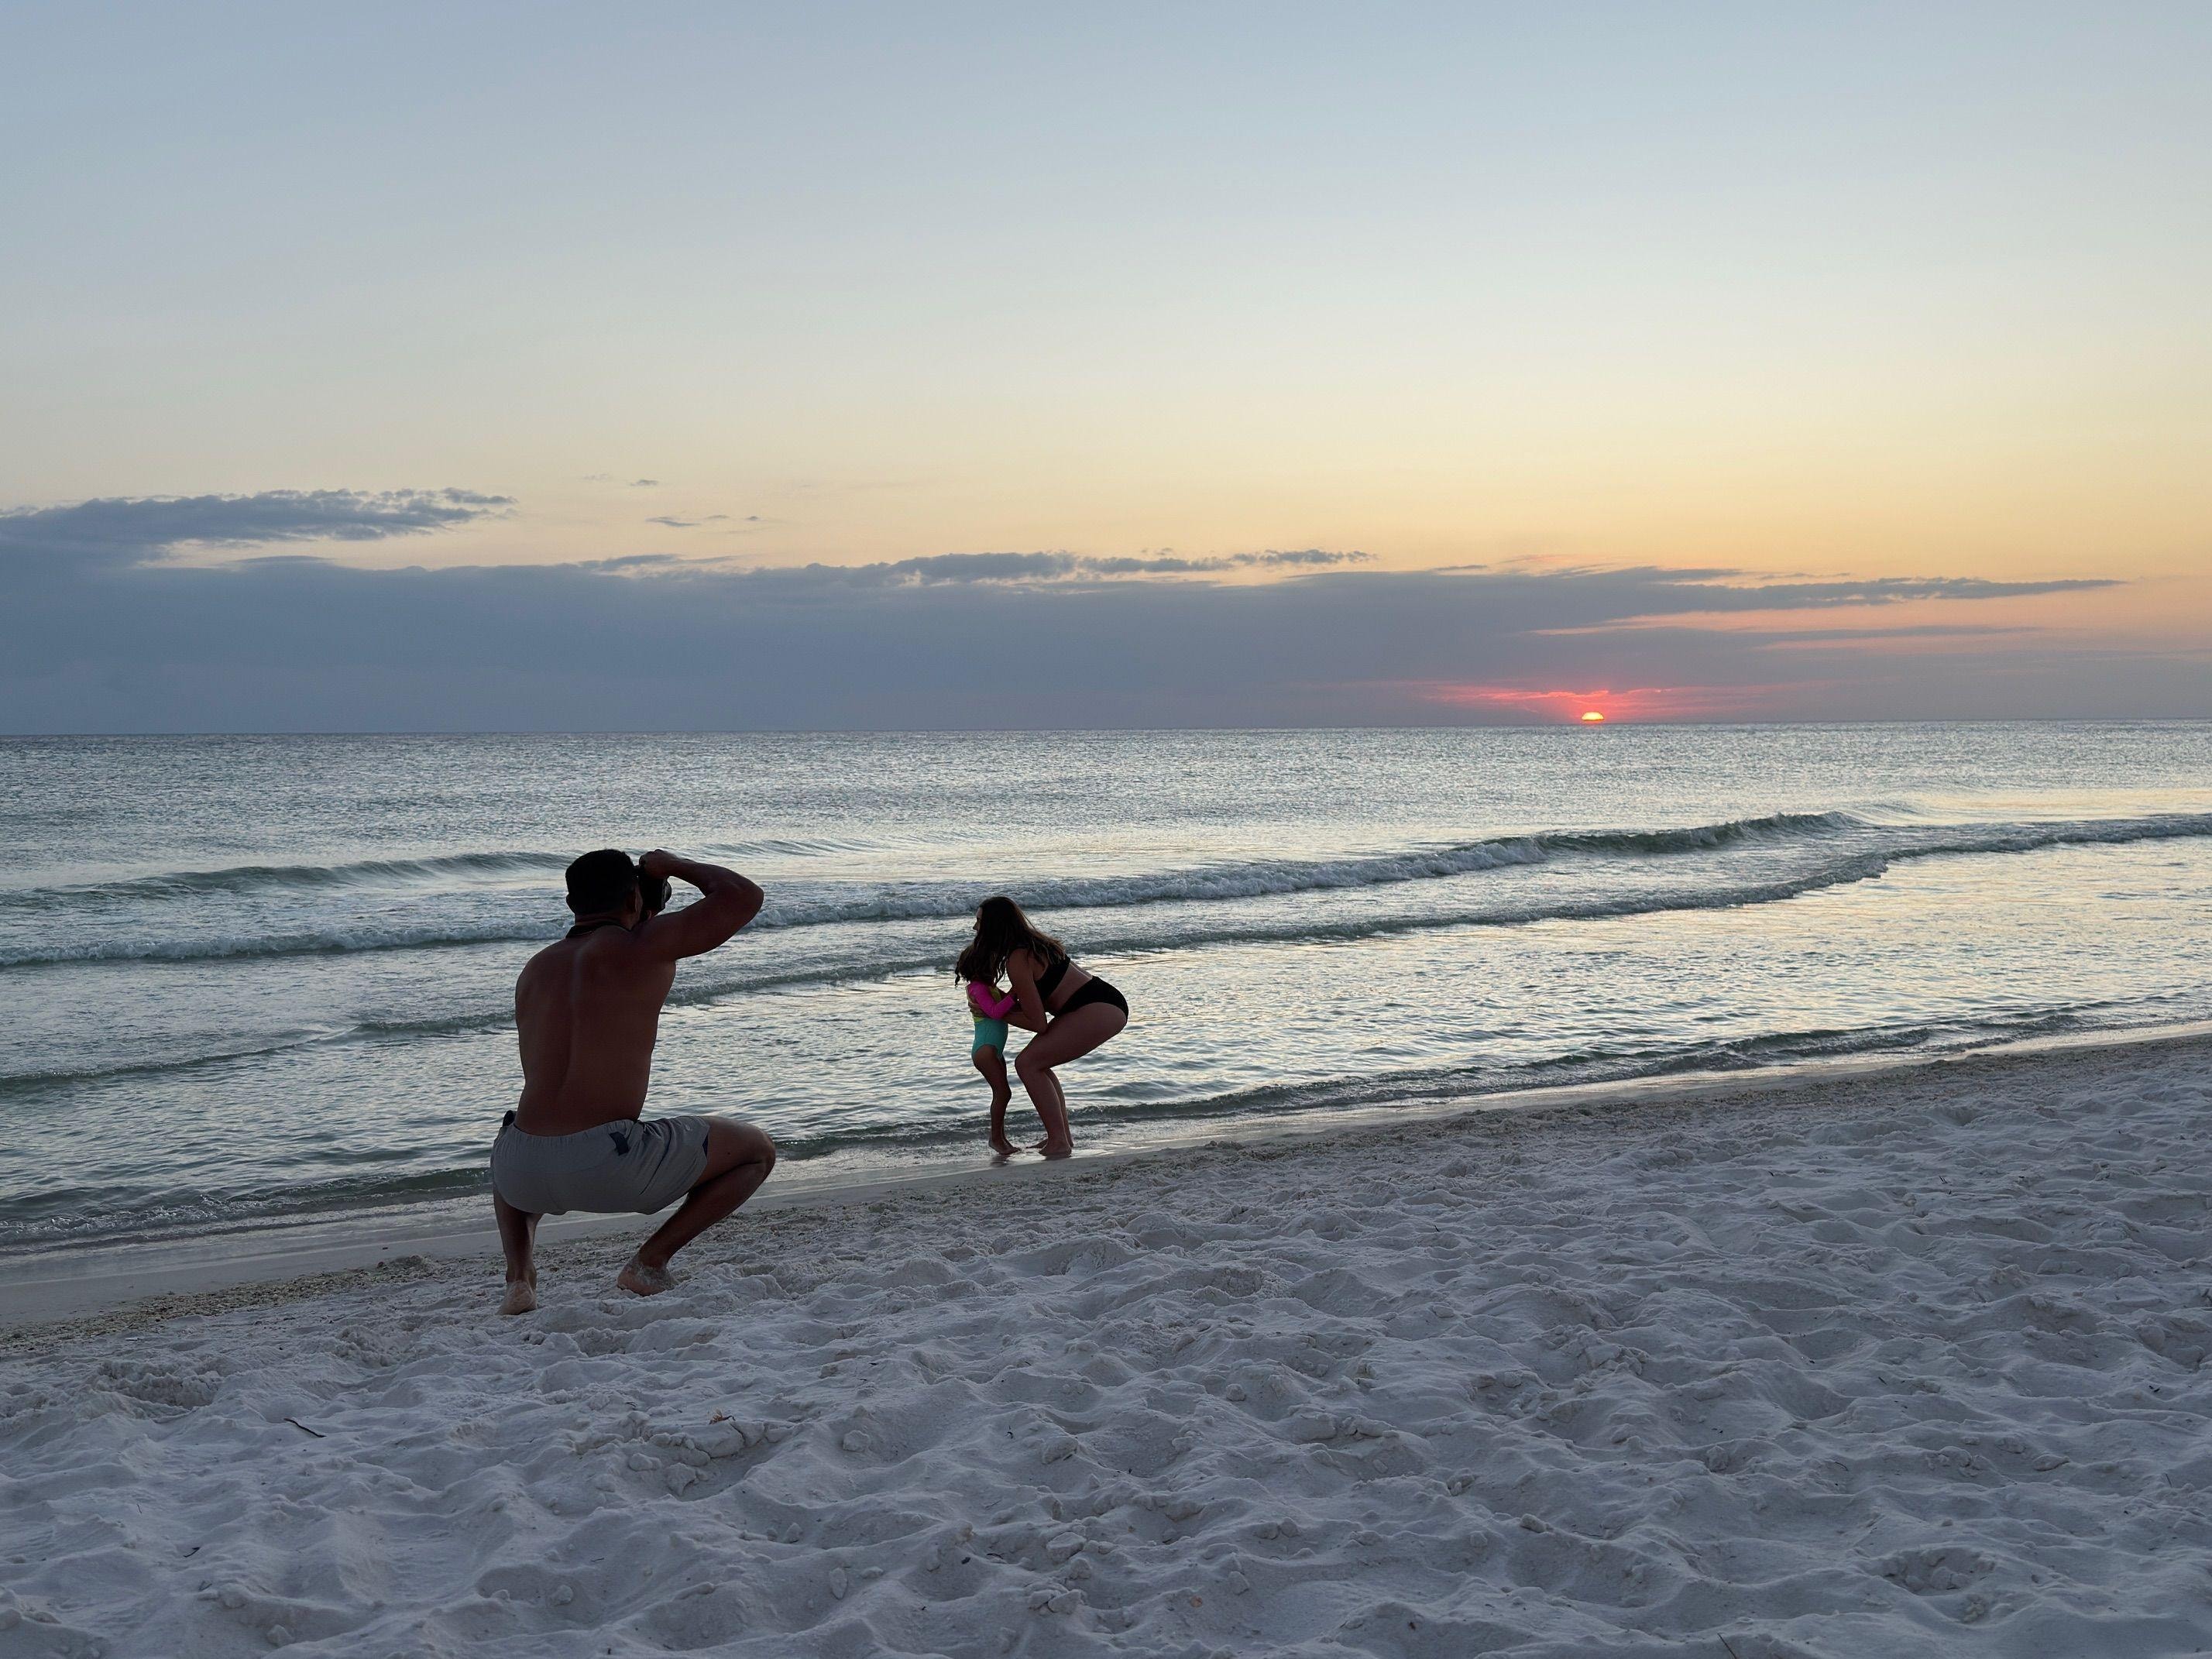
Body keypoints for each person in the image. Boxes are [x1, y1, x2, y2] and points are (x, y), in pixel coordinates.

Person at [489, 847, 775, 1314]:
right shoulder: (646, 947)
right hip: (610, 1167)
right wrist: (672, 866)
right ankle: (649, 1263)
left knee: (513, 1133)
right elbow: (743, 896)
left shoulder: (536, 968)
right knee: (757, 1150)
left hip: (520, 1177)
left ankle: (519, 1278)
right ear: (635, 899)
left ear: (571, 904)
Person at [963, 895, 1128, 1159]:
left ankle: (1059, 1142)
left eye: (979, 922)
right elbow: (1033, 1008)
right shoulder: (1029, 945)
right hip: (1101, 1002)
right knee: (1036, 1062)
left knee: (1028, 1063)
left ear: (994, 926)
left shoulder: (1018, 958)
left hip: (1097, 1007)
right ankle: (1062, 1137)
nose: (975, 929)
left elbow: (1038, 1023)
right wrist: (1001, 1007)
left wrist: (992, 1013)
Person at [957, 950, 1025, 1157]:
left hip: (994, 1050)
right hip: (985, 1051)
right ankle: (995, 1139)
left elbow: (1013, 1005)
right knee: (1003, 1093)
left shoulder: (989, 987)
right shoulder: (977, 989)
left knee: (1003, 1093)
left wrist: (1016, 993)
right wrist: (1013, 993)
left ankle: (1001, 1139)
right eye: (992, 964)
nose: (996, 968)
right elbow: (995, 1012)